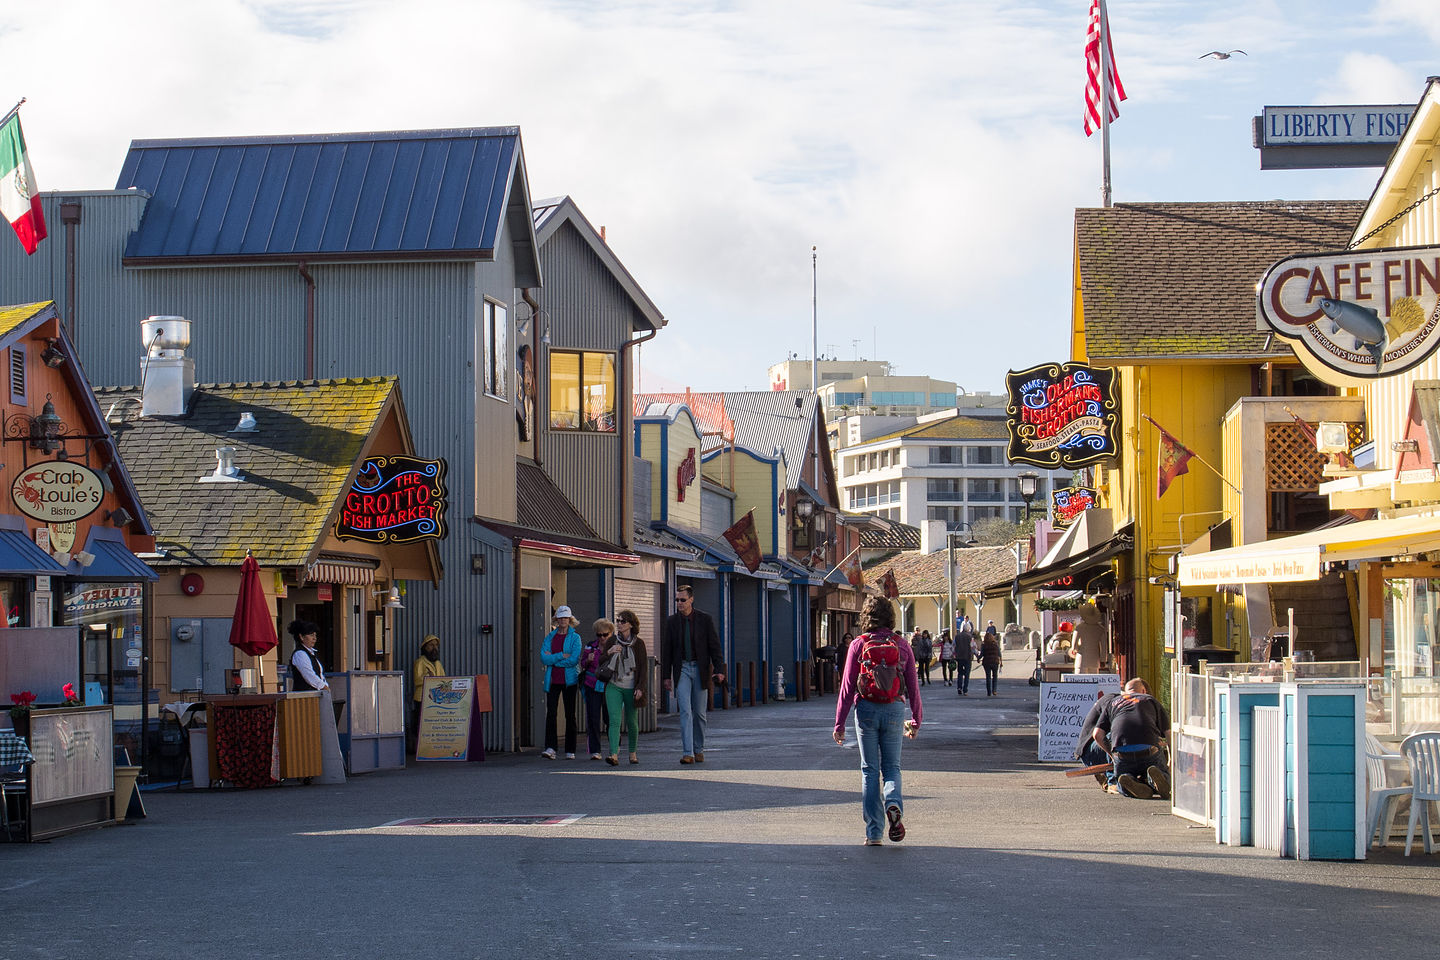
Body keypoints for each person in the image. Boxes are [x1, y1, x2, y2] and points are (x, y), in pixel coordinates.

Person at [833, 596, 922, 846]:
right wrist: (915, 720)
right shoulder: (901, 645)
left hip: (867, 710)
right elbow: (912, 687)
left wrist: (839, 724)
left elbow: (848, 687)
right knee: (892, 767)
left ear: (866, 617)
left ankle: (874, 833)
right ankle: (893, 803)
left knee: (869, 770)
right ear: (890, 617)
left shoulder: (858, 645)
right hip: (895, 709)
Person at [660, 585, 726, 764]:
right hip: (682, 669)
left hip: (700, 669)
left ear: (691, 600)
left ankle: (699, 749)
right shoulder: (672, 622)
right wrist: (666, 676)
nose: (679, 603)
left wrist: (720, 670)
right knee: (685, 712)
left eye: (682, 600)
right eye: (677, 600)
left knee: (699, 713)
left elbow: (715, 647)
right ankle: (687, 752)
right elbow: (667, 650)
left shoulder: (705, 620)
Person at [1092, 678, 1171, 799]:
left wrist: (1112, 755)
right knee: (1160, 771)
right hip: (1149, 752)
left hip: (1123, 755)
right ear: (1144, 690)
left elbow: (1097, 735)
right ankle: (1155, 778)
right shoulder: (1150, 699)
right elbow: (1169, 733)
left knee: (1121, 783)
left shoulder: (1113, 703)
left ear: (1125, 691)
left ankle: (1129, 780)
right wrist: (1171, 759)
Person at [603, 609, 649, 766]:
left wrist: (640, 687)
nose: (619, 624)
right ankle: (613, 754)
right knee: (614, 720)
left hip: (631, 686)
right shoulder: (611, 641)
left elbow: (643, 668)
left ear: (631, 624)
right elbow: (600, 661)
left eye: (622, 621)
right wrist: (609, 652)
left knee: (632, 721)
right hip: (614, 685)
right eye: (618, 620)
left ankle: (632, 752)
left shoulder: (639, 643)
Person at [539, 605, 582, 760]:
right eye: (561, 617)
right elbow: (544, 658)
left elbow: (573, 659)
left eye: (566, 618)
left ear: (570, 619)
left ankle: (570, 749)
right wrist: (559, 656)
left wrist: (553, 660)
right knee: (551, 713)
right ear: (556, 619)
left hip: (569, 681)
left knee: (570, 715)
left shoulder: (575, 637)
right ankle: (551, 747)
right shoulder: (550, 637)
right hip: (553, 680)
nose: (563, 620)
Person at [580, 619, 613, 760]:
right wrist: (588, 660)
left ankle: (614, 748)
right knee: (593, 717)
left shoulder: (615, 647)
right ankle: (595, 750)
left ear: (611, 633)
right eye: (599, 635)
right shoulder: (590, 647)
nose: (602, 638)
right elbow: (582, 664)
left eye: (605, 635)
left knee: (609, 717)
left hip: (609, 685)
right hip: (592, 684)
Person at [409, 634, 444, 754]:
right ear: (425, 647)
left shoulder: (438, 663)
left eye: (436, 645)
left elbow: (444, 679)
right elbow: (417, 680)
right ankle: (420, 748)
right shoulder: (419, 662)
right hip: (421, 697)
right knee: (420, 723)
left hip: (436, 698)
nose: (434, 648)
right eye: (431, 645)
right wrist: (428, 677)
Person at [288, 620, 329, 692]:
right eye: (311, 635)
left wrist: (325, 687)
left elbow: (320, 675)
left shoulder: (311, 653)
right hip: (305, 697)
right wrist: (324, 687)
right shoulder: (300, 654)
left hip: (316, 694)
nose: (314, 638)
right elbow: (309, 675)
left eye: (315, 635)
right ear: (301, 637)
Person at [1071, 602, 1109, 674]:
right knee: (1093, 682)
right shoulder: (1100, 629)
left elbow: (1074, 647)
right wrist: (1103, 660)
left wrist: (1075, 650)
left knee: (1080, 682)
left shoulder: (1079, 628)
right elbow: (1104, 647)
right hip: (1095, 660)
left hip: (1081, 660)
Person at [979, 624, 1002, 696]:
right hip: (995, 662)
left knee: (988, 677)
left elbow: (982, 654)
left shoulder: (984, 645)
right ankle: (994, 690)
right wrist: (1001, 662)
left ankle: (989, 692)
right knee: (995, 676)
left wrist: (978, 658)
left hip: (987, 662)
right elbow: (999, 654)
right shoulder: (995, 644)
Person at [955, 616, 975, 696]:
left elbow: (954, 646)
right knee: (967, 674)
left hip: (959, 657)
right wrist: (977, 655)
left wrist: (953, 655)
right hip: (967, 657)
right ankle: (965, 689)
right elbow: (973, 647)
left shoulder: (957, 636)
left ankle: (959, 687)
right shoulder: (970, 637)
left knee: (960, 673)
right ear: (969, 629)